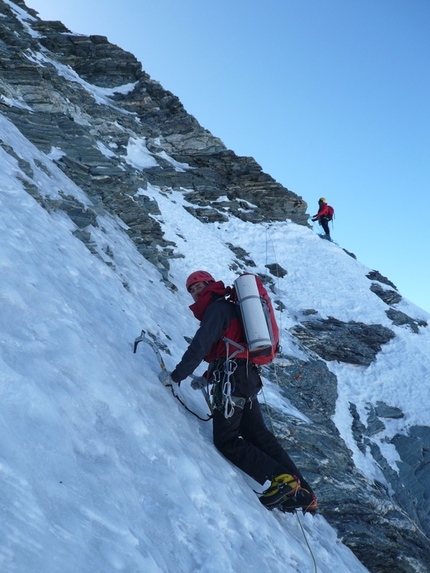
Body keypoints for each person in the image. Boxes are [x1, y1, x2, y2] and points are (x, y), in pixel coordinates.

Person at [158, 270, 317, 513]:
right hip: (244, 377)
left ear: (210, 284)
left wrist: (175, 376)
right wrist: (208, 376)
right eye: (191, 290)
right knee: (258, 435)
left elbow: (200, 346)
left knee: (227, 440)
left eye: (198, 286)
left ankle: (281, 479)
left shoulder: (217, 309)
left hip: (233, 379)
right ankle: (303, 492)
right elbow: (232, 346)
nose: (195, 292)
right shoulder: (230, 308)